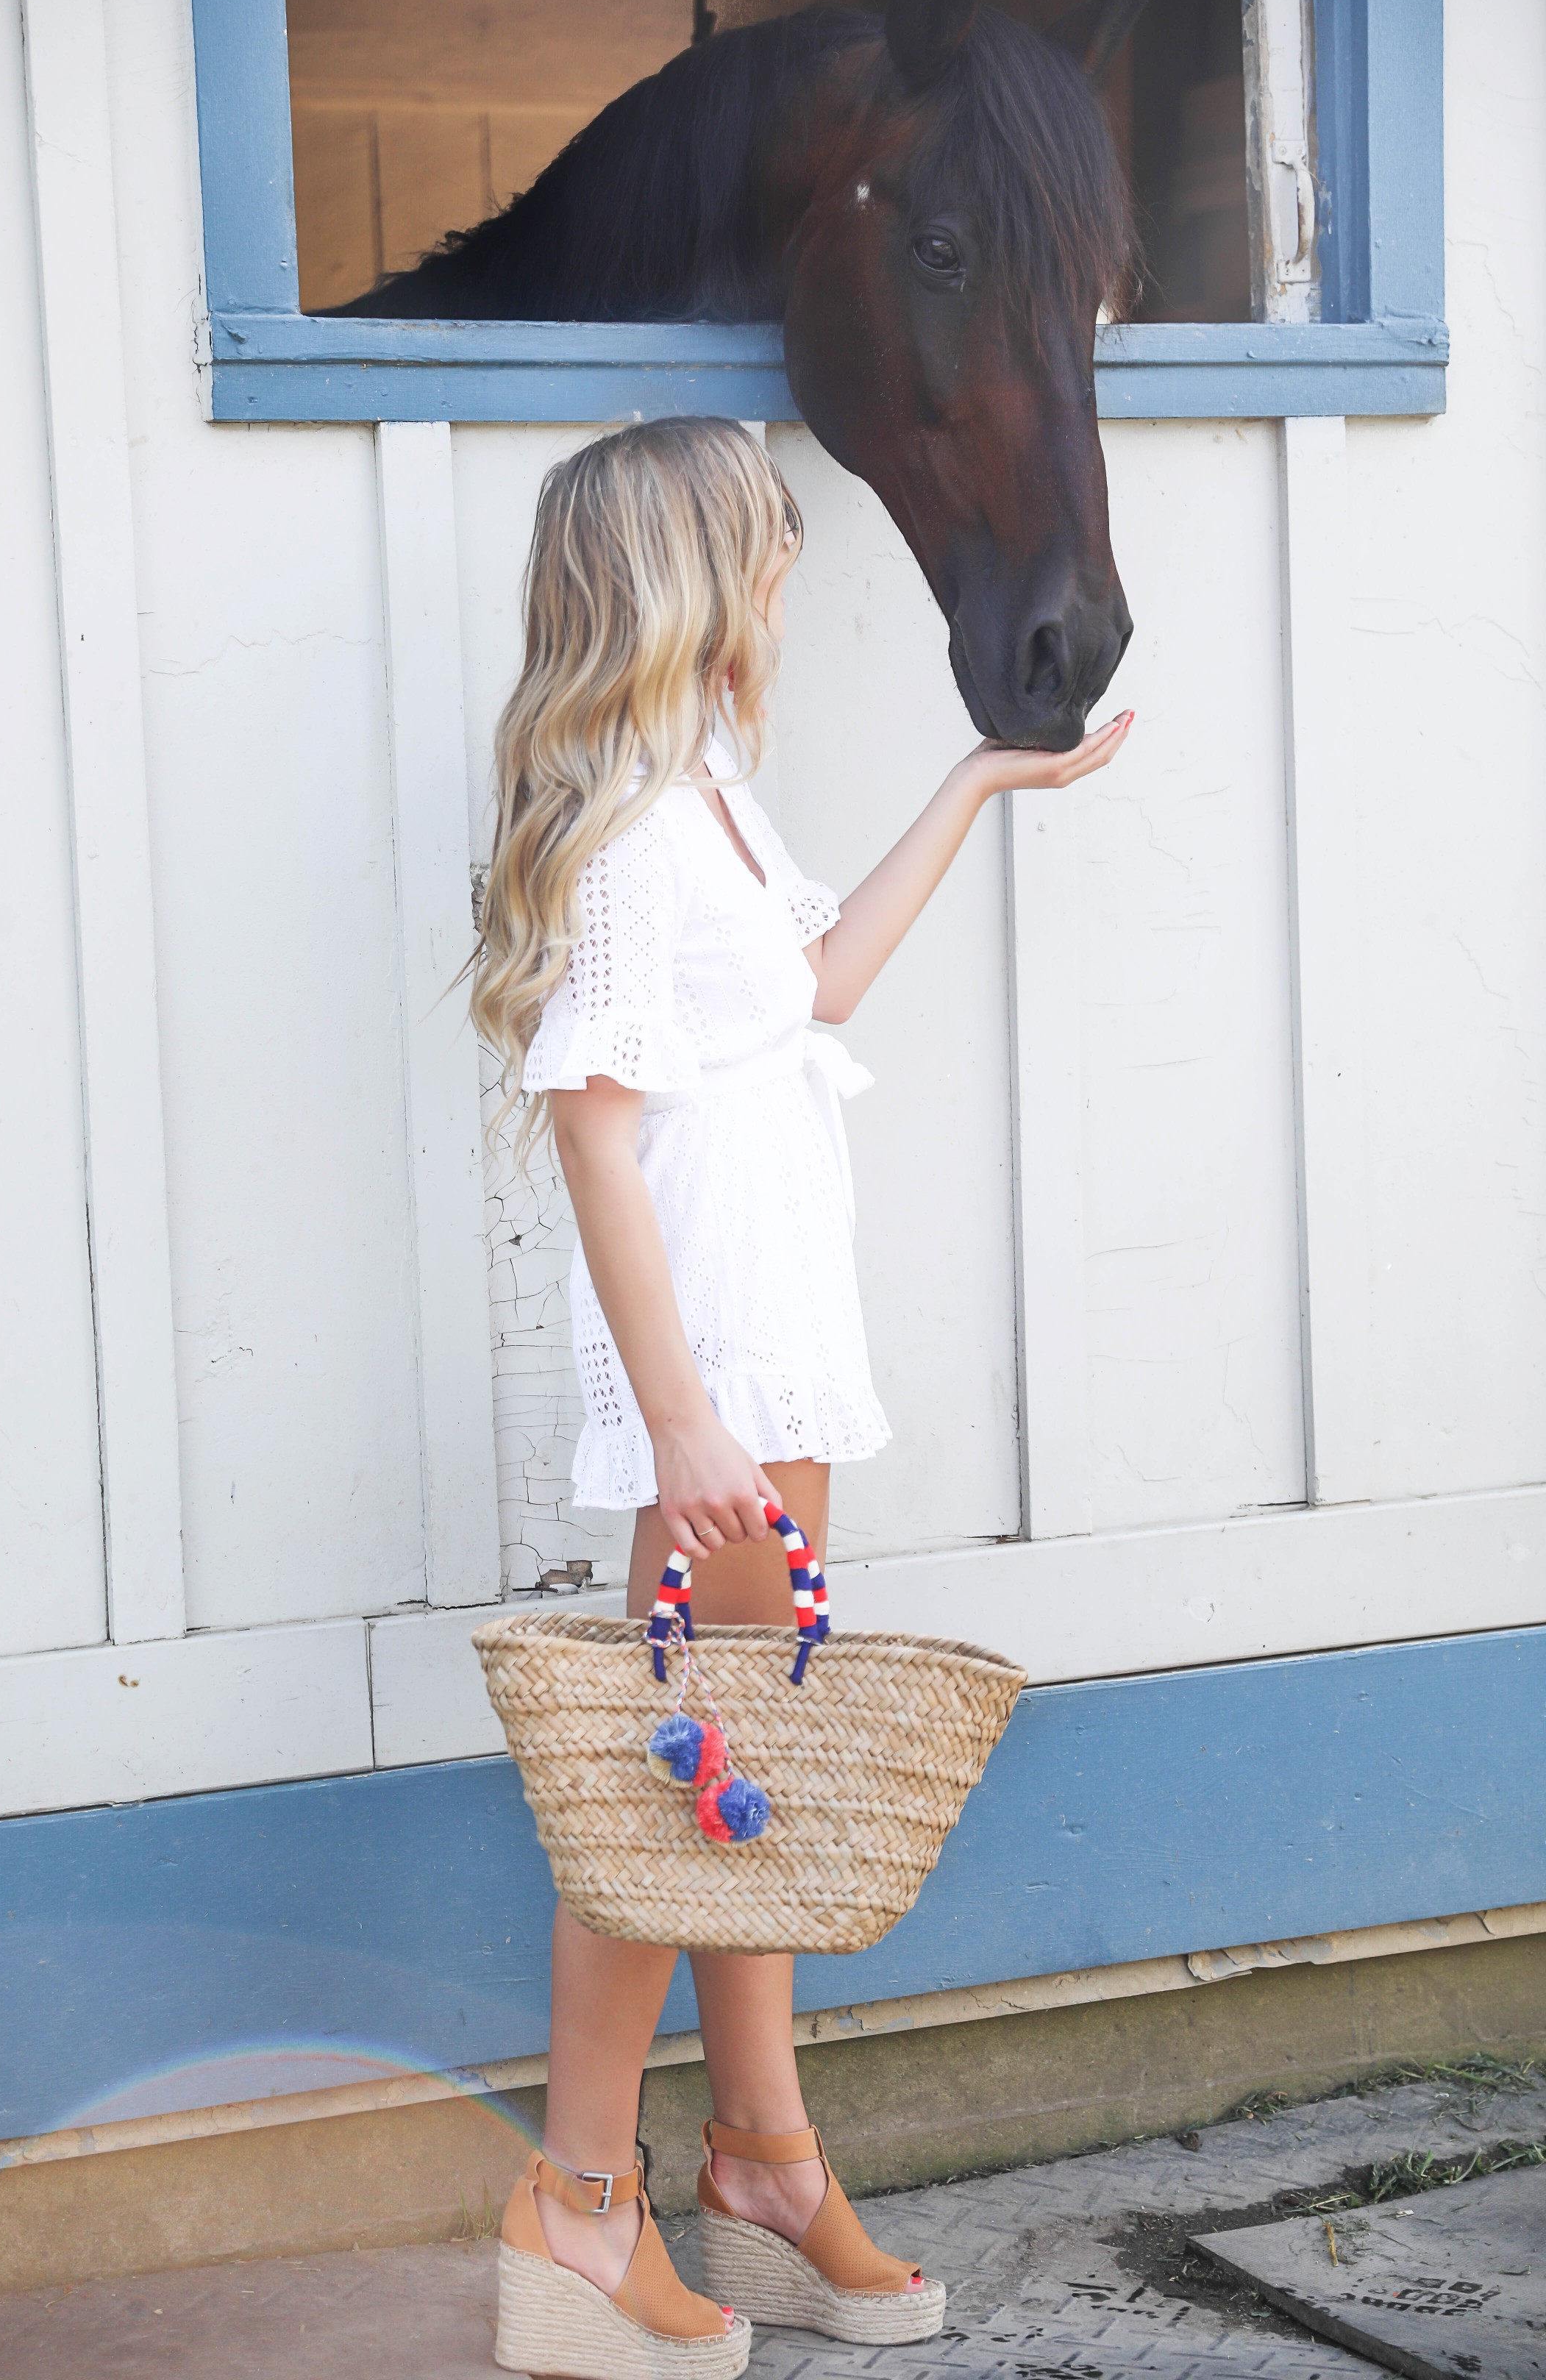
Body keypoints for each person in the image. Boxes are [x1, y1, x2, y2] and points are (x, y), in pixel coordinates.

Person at [471, 417, 1131, 2379]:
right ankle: (579, 2202)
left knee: (741, 1765)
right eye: (763, 551)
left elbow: (820, 986)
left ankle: (757, 2155)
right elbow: (593, 1130)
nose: (785, 582)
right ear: (686, 578)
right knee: (679, 1782)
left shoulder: (716, 798)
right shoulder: (612, 828)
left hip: (779, 1346)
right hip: (717, 1374)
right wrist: (677, 1420)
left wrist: (984, 781)